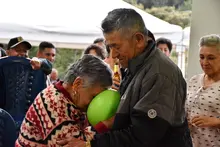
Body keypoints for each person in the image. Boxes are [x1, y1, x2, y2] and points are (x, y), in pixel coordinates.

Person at [57, 8, 192, 147]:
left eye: (116, 46)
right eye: (109, 47)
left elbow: (143, 136)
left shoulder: (159, 73)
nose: (113, 55)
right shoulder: (136, 65)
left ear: (138, 39)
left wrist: (90, 144)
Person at [15, 55, 113, 146]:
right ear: (77, 84)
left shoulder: (68, 97)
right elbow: (71, 144)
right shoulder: (54, 104)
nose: (96, 104)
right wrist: (106, 124)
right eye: (93, 97)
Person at [185, 34, 220, 147]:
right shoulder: (194, 80)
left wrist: (216, 122)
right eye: (201, 57)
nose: (204, 62)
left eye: (211, 58)